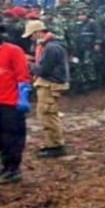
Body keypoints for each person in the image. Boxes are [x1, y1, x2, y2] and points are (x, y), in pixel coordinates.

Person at [0, 18, 31, 185]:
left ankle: (13, 170)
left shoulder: (13, 51)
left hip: (11, 103)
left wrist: (23, 97)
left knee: (13, 138)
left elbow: (22, 76)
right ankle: (6, 167)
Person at [22, 20, 70, 158]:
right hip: (50, 82)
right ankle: (52, 143)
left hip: (50, 83)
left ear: (38, 32)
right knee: (47, 114)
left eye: (31, 35)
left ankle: (55, 145)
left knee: (47, 114)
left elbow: (43, 70)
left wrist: (28, 63)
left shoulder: (50, 48)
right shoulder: (50, 45)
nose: (31, 38)